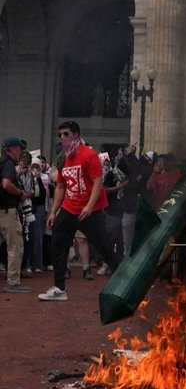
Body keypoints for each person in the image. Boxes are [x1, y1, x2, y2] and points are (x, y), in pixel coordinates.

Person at [38, 121, 121, 301]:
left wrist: (89, 207)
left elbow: (98, 183)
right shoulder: (64, 158)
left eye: (66, 134)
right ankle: (59, 288)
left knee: (104, 248)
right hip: (69, 208)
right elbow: (60, 186)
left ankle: (124, 283)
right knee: (58, 243)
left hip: (90, 210)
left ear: (76, 135)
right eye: (60, 134)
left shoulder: (89, 154)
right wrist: (53, 211)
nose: (62, 137)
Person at [0, 136, 32, 293]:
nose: (20, 152)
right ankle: (13, 282)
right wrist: (20, 193)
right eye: (19, 149)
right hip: (7, 212)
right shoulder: (8, 164)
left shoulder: (1, 162)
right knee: (15, 247)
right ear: (12, 149)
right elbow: (6, 184)